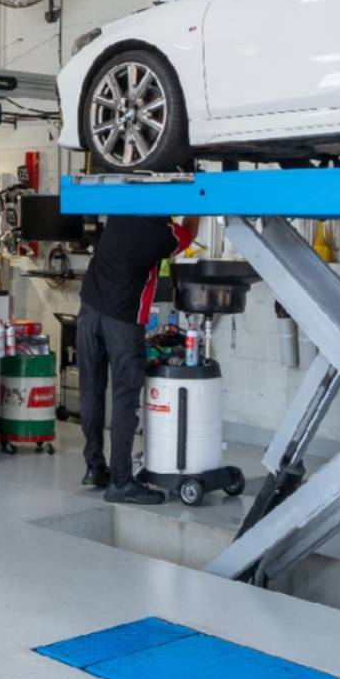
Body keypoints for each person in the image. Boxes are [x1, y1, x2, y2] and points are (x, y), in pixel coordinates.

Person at [78, 214, 199, 504]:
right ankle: (120, 481)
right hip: (122, 319)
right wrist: (196, 206)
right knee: (124, 397)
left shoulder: (120, 215)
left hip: (88, 311)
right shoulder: (162, 234)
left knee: (91, 392)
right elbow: (189, 234)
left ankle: (95, 468)